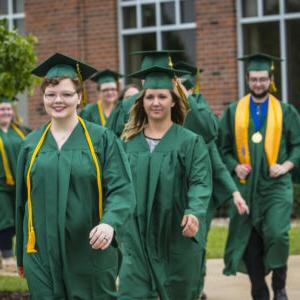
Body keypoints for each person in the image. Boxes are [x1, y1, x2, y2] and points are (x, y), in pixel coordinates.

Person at [15, 53, 135, 299]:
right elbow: (21, 204)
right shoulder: (30, 145)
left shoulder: (101, 140)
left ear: (80, 97)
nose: (58, 100)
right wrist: (21, 255)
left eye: (67, 94)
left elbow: (121, 189)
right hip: (41, 254)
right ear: (44, 97)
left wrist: (109, 222)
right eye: (51, 94)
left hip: (89, 250)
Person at [118, 64, 212, 300]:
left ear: (173, 101)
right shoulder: (127, 144)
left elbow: (200, 182)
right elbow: (116, 186)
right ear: (142, 102)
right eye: (150, 97)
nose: (155, 102)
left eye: (162, 96)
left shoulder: (190, 142)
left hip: (176, 235)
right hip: (136, 237)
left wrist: (194, 212)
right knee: (132, 294)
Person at [219, 53, 300, 300]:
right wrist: (235, 166)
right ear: (247, 78)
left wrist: (286, 165)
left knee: (277, 233)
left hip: (276, 186)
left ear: (271, 79)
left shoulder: (285, 111)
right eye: (253, 79)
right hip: (245, 186)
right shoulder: (233, 111)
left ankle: (279, 285)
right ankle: (259, 290)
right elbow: (223, 149)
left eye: (263, 79)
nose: (258, 83)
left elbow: (298, 145)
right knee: (249, 237)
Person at [175, 61, 249, 300]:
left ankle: (196, 291)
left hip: (199, 200)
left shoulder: (201, 126)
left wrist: (235, 193)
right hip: (169, 198)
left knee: (197, 248)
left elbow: (216, 163)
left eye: (185, 88)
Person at [107, 51, 219, 144]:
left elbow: (208, 133)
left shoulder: (190, 101)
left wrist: (185, 96)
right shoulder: (126, 106)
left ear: (173, 81)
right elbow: (109, 144)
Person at [0, 96, 28, 272]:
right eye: (2, 109)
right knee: (5, 219)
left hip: (19, 184)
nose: (6, 112)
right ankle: (8, 255)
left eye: (8, 109)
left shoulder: (22, 131)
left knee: (19, 217)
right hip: (0, 186)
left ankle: (19, 254)